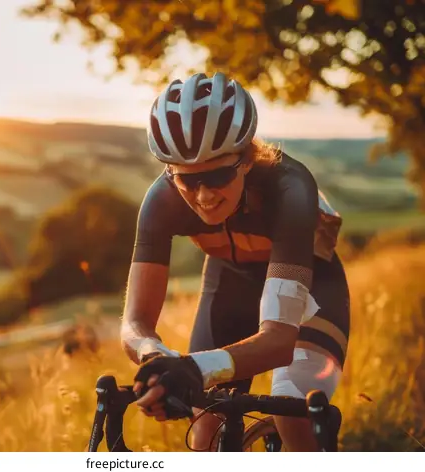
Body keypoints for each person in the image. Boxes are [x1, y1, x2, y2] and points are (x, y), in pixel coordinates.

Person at [119, 72, 350, 452]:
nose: (204, 195)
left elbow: (278, 341)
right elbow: (135, 322)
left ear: (244, 160)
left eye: (218, 175)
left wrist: (195, 369)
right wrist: (158, 360)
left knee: (293, 412)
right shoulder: (161, 200)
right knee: (203, 432)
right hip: (229, 280)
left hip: (311, 283)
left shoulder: (289, 186)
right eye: (187, 180)